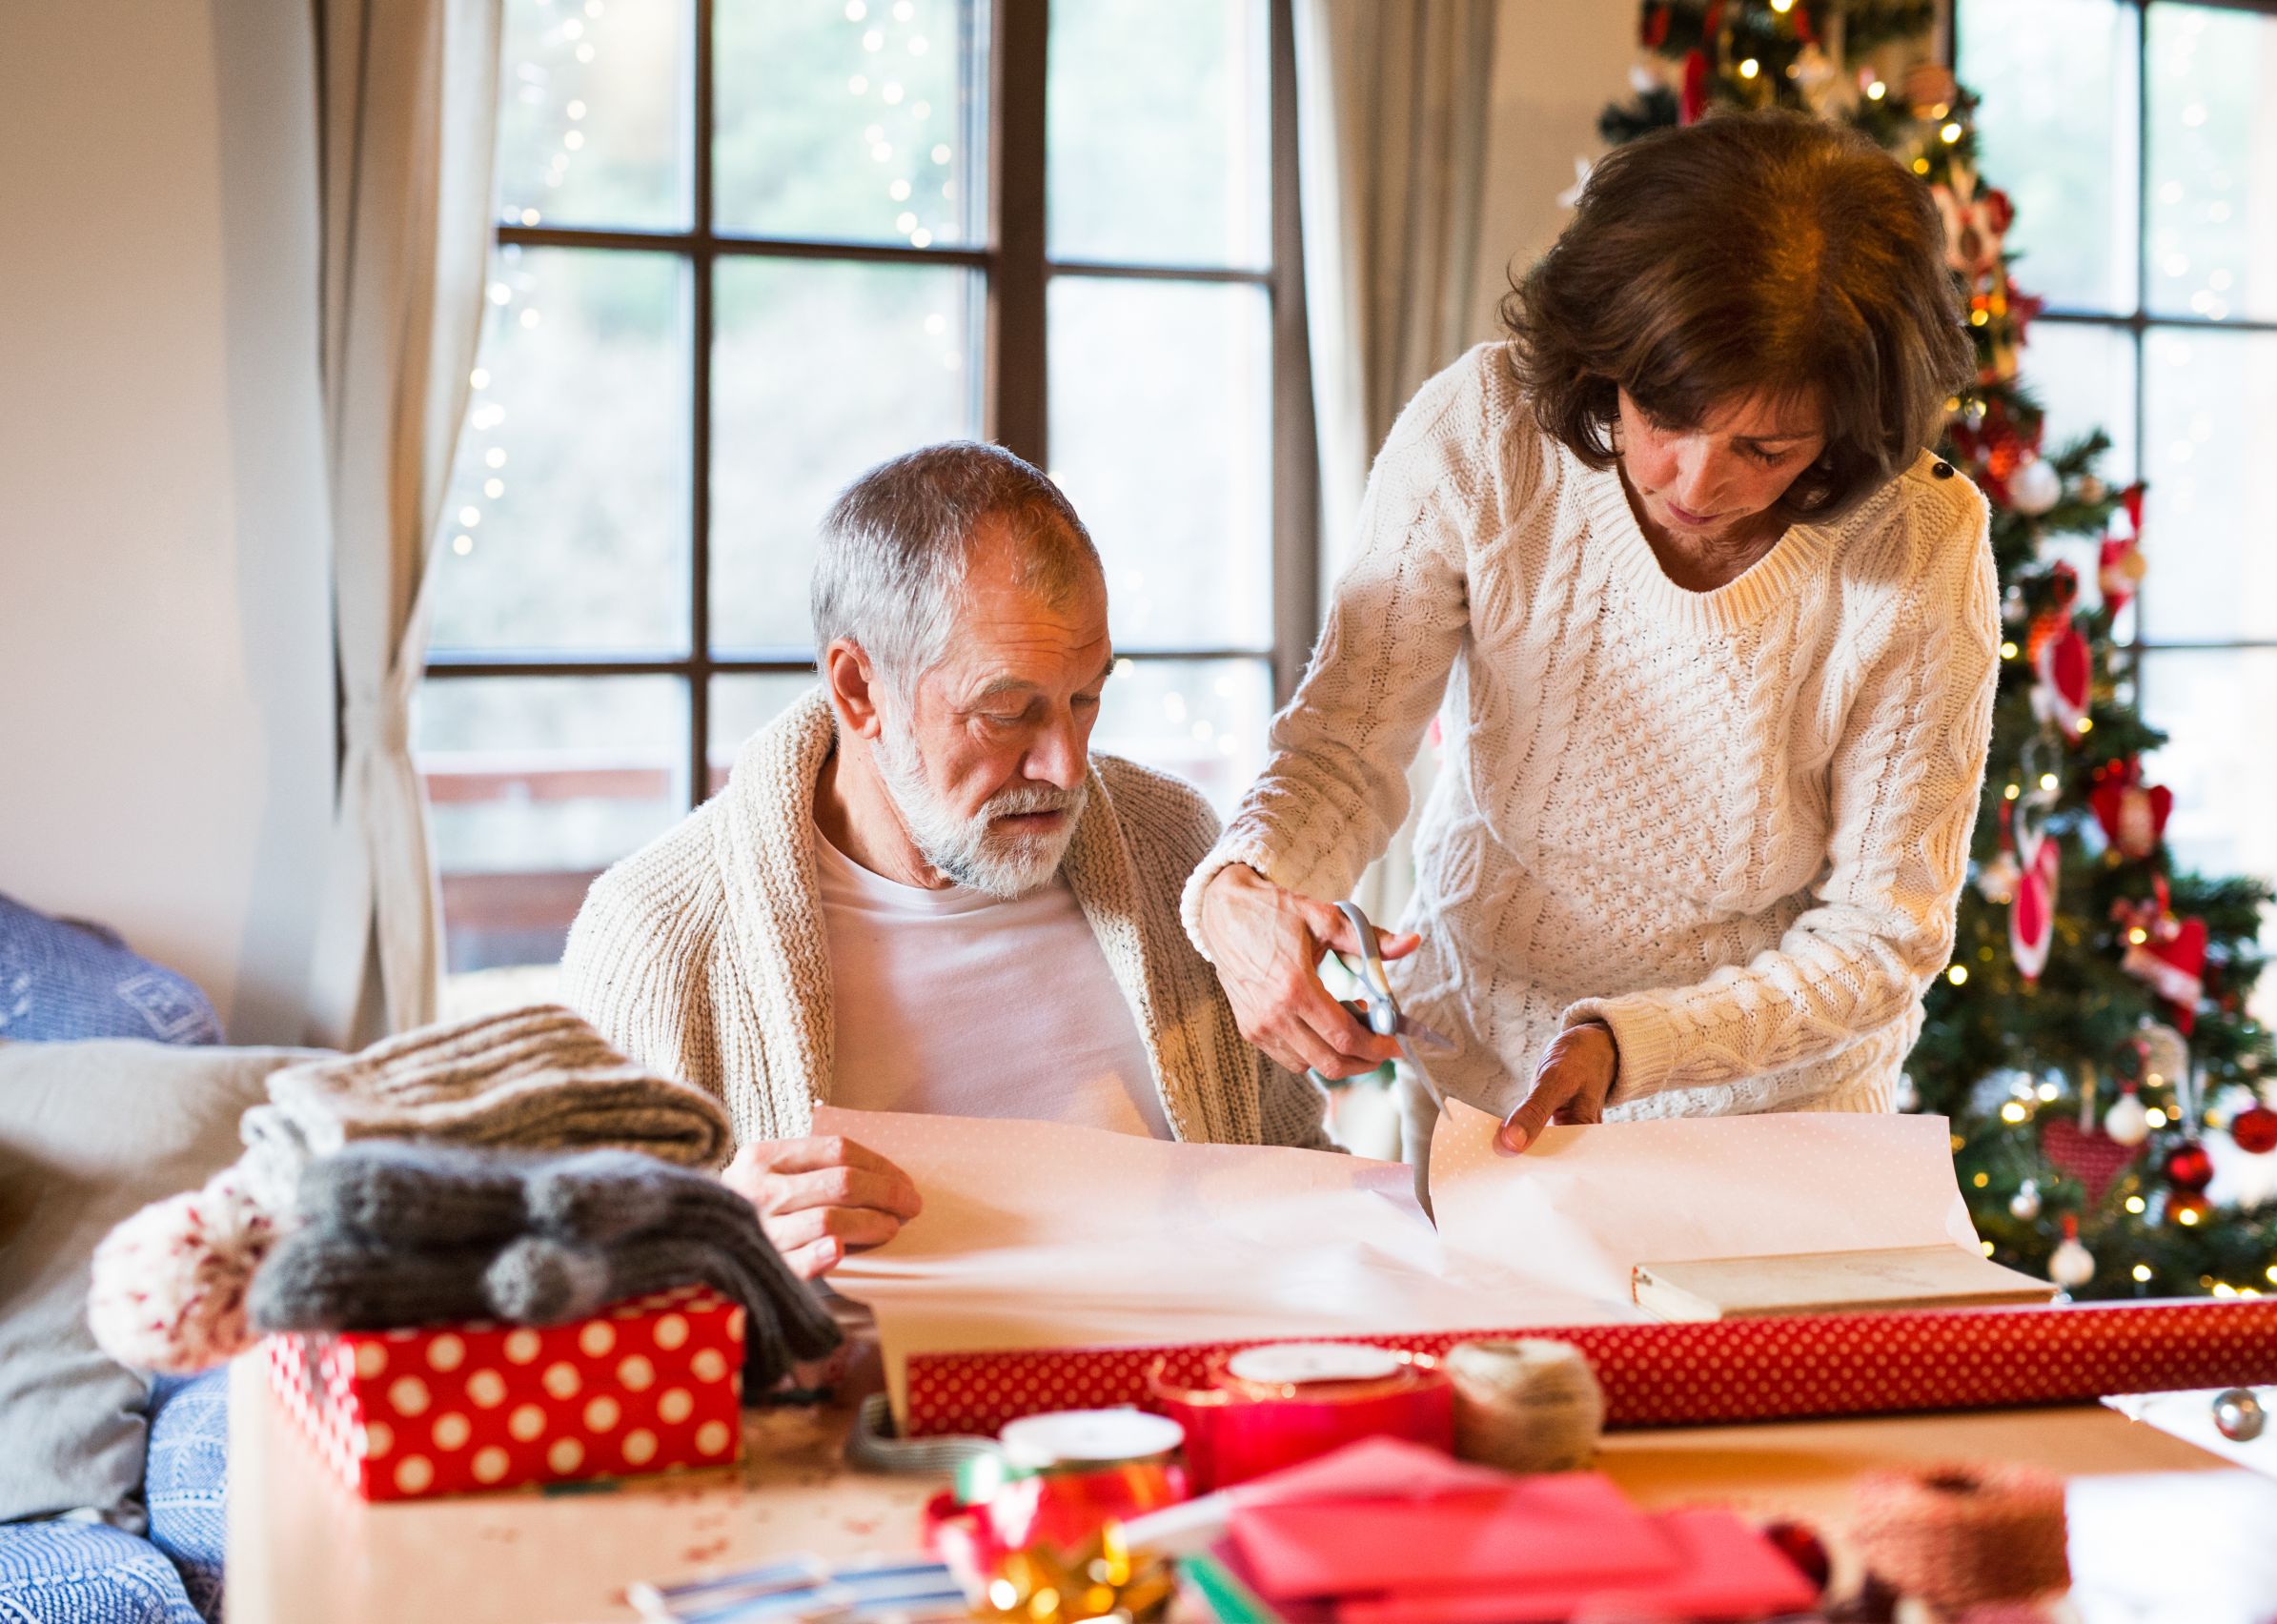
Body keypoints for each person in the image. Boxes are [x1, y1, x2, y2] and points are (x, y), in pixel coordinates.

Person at [1182, 112, 2002, 1169]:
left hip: (1778, 1127)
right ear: (1602, 354)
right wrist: (1242, 889)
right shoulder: (1484, 432)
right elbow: (1342, 744)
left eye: (1766, 447)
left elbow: (1880, 935)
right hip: (1487, 1079)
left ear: (1847, 431)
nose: (1693, 485)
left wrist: (1632, 1045)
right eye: (1662, 414)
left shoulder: (1919, 542)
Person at [563, 442, 1332, 1281]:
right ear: (859, 690)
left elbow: (1295, 1172)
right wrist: (710, 1246)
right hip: (865, 1410)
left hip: (1182, 1390)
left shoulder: (1174, 846)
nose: (1066, 767)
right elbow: (575, 1283)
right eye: (1006, 714)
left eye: (1086, 699)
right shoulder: (656, 936)